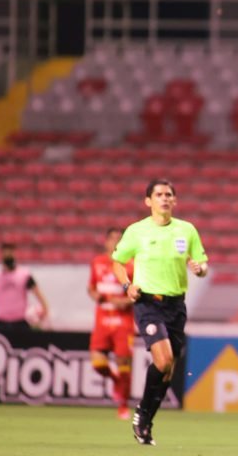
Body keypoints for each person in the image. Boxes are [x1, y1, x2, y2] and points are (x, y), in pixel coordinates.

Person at [112, 178, 209, 446]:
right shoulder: (136, 231)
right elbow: (118, 262)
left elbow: (201, 263)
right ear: (148, 201)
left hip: (176, 305)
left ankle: (145, 421)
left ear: (175, 201)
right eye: (159, 194)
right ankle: (142, 411)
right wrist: (126, 285)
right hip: (148, 302)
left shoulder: (187, 231)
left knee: (168, 370)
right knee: (164, 360)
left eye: (169, 194)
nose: (164, 198)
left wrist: (200, 269)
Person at [88, 227, 135, 420]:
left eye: (119, 239)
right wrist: (96, 296)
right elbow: (91, 288)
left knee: (124, 362)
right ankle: (115, 380)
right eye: (112, 238)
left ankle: (123, 405)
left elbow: (137, 295)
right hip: (102, 320)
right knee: (97, 363)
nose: (115, 242)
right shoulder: (97, 262)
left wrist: (123, 302)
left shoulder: (131, 265)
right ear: (106, 241)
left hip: (123, 321)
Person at [0, 242, 49, 332]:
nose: (8, 255)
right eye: (5, 253)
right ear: (1, 255)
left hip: (21, 323)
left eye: (10, 252)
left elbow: (40, 296)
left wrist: (45, 315)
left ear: (15, 253)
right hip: (2, 323)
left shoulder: (25, 275)